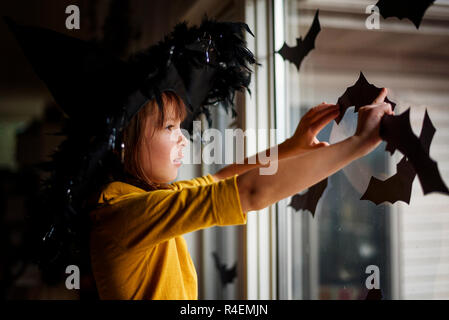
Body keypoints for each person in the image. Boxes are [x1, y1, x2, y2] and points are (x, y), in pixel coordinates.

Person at [89, 86, 394, 299]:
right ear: (123, 143)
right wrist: (358, 143)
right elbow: (248, 192)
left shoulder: (140, 201)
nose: (183, 139)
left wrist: (290, 147)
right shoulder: (122, 214)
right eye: (169, 127)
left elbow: (222, 179)